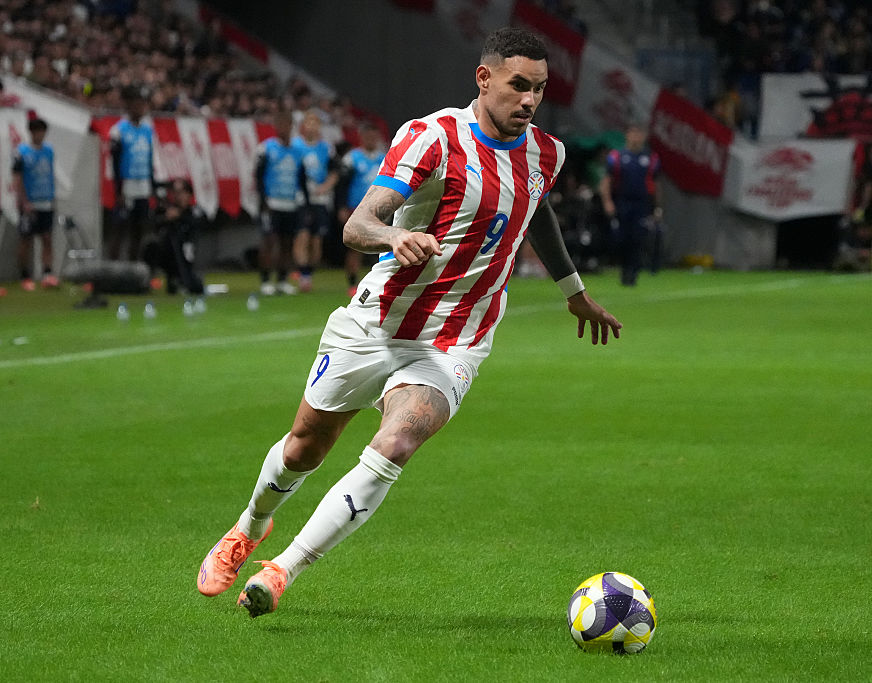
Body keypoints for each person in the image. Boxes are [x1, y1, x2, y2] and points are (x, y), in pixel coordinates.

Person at [195, 26, 622, 619]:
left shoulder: (546, 153)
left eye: (540, 90)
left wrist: (572, 291)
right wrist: (396, 234)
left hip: (456, 340)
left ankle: (281, 571)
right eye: (518, 86)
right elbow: (357, 224)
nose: (529, 101)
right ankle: (250, 526)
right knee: (304, 449)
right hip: (378, 322)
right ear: (484, 78)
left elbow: (535, 208)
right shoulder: (432, 138)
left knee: (397, 441)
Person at [599, 123, 662, 286]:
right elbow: (607, 180)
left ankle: (633, 273)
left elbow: (656, 184)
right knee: (621, 238)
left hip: (641, 205)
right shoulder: (617, 156)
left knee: (638, 239)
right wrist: (607, 201)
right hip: (622, 202)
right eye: (633, 133)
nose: (636, 137)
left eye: (639, 133)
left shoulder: (651, 158)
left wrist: (657, 207)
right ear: (627, 135)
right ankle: (623, 269)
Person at [255, 109, 306, 296]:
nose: (283, 128)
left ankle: (283, 280)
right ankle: (266, 280)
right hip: (272, 203)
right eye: (280, 124)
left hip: (290, 203)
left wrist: (304, 203)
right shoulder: (266, 148)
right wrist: (263, 201)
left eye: (286, 124)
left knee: (287, 243)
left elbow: (302, 179)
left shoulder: (297, 152)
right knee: (268, 241)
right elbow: (258, 177)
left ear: (291, 127)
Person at [338, 120, 388, 297]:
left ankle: (378, 282)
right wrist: (342, 206)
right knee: (355, 247)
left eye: (374, 136)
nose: (371, 139)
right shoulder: (352, 158)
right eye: (368, 136)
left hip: (381, 209)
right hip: (356, 208)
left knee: (382, 245)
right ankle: (352, 282)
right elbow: (342, 185)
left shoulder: (385, 157)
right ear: (361, 137)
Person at [292, 111, 339, 292]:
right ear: (303, 126)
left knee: (317, 240)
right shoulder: (295, 146)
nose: (312, 126)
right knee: (302, 235)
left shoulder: (326, 148)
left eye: (315, 122)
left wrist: (325, 187)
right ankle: (303, 276)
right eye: (308, 122)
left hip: (320, 198)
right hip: (301, 198)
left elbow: (335, 172)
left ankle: (308, 272)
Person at [107, 86, 155, 261]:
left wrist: (152, 185)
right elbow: (115, 162)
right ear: (129, 105)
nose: (141, 108)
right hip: (126, 185)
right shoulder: (119, 130)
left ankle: (134, 266)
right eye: (137, 104)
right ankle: (113, 268)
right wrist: (118, 190)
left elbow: (150, 159)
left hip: (142, 184)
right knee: (119, 227)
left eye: (143, 104)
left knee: (139, 228)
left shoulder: (148, 129)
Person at [13, 117, 58, 291]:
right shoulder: (21, 152)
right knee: (26, 239)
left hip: (46, 200)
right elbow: (17, 178)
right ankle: (25, 276)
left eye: (42, 131)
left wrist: (53, 197)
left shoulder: (49, 151)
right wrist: (24, 201)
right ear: (31, 132)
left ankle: (47, 274)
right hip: (29, 203)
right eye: (36, 131)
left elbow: (50, 174)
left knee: (47, 237)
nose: (40, 134)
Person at [143, 179, 206, 296]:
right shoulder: (167, 210)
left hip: (187, 254)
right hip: (168, 256)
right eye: (175, 193)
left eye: (181, 192)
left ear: (189, 194)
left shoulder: (195, 210)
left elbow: (197, 223)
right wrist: (166, 218)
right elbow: (152, 223)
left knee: (195, 284)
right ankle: (149, 280)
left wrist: (180, 216)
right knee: (152, 246)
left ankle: (184, 281)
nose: (178, 196)